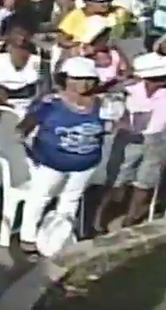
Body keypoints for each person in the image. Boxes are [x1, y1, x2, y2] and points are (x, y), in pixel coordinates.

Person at [95, 53, 166, 231]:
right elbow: (104, 92)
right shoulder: (131, 88)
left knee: (146, 182)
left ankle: (130, 220)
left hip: (158, 138)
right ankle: (100, 219)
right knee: (118, 179)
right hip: (130, 137)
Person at [17, 57, 107, 256]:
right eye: (77, 79)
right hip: (51, 163)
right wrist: (24, 137)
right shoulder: (50, 102)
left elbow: (112, 125)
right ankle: (28, 239)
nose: (83, 84)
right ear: (65, 79)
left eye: (88, 79)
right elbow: (27, 123)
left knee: (70, 201)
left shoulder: (102, 103)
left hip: (86, 163)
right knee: (40, 198)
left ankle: (58, 240)